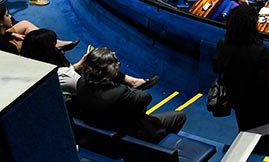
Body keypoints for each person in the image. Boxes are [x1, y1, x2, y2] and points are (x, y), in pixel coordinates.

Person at [76, 47, 186, 142]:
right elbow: (146, 98)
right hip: (127, 133)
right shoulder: (120, 93)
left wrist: (112, 74)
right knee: (179, 116)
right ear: (110, 73)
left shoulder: (81, 83)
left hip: (96, 132)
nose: (118, 64)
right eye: (116, 65)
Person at [20, 29, 156, 102]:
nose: (58, 47)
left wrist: (79, 64)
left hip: (72, 88)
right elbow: (78, 83)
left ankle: (133, 82)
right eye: (54, 45)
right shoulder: (62, 74)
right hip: (82, 99)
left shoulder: (29, 62)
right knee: (100, 66)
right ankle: (129, 86)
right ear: (48, 51)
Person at [213, 5, 269, 154]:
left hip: (237, 99)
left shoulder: (222, 44)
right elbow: (264, 84)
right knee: (265, 135)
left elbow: (217, 68)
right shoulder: (258, 50)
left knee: (244, 128)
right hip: (260, 103)